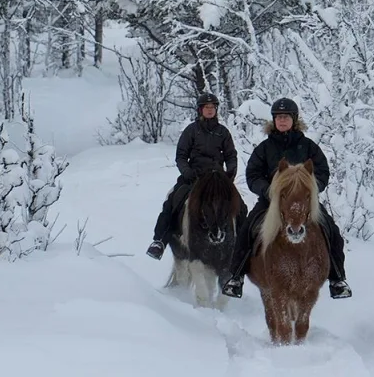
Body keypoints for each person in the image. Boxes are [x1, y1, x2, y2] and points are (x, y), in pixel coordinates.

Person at [220, 97, 351, 300]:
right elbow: (253, 174)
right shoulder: (264, 148)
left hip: (304, 203)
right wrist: (267, 191)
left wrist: (311, 190)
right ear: (273, 120)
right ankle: (236, 278)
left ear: (294, 119)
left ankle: (337, 279)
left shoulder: (308, 146)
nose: (282, 121)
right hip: (271, 202)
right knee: (247, 229)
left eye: (286, 117)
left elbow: (322, 172)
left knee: (331, 230)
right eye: (278, 117)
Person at [146, 92, 240, 259]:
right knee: (174, 200)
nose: (210, 110)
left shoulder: (223, 132)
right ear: (200, 110)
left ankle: (242, 242)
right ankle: (159, 240)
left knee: (240, 205)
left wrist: (230, 174)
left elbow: (231, 155)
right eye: (207, 107)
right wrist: (187, 172)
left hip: (217, 179)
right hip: (194, 177)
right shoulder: (191, 131)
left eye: (213, 107)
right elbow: (181, 155)